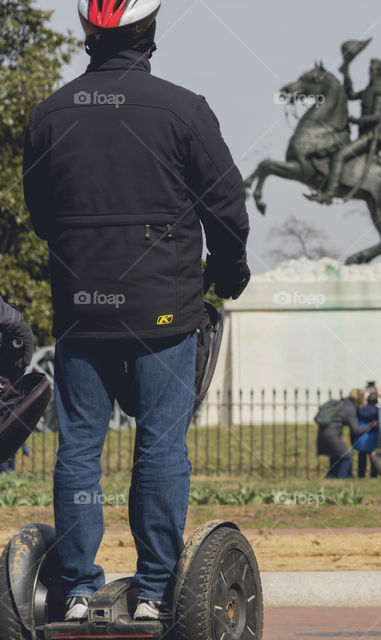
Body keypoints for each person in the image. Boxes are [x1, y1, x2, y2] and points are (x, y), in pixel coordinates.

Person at [22, 0, 250, 622]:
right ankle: (154, 591)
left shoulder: (49, 114)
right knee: (159, 445)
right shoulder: (183, 109)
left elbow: (42, 217)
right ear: (149, 32)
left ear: (88, 32)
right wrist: (226, 274)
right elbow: (227, 208)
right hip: (163, 312)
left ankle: (74, 591)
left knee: (78, 449)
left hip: (80, 312)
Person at [314, 58, 381, 204]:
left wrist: (355, 120)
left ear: (379, 72)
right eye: (369, 70)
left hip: (371, 136)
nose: (370, 72)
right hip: (362, 134)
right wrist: (346, 73)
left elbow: (376, 117)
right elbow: (350, 95)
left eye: (372, 70)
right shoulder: (368, 90)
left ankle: (329, 194)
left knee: (339, 155)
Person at [316, 389, 366, 479]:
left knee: (336, 457)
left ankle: (330, 478)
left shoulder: (340, 404)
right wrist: (371, 425)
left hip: (323, 432)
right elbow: (356, 429)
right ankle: (343, 478)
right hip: (332, 434)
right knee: (346, 458)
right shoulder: (349, 408)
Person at [354, 391, 380, 478]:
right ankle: (374, 475)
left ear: (367, 400)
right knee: (373, 457)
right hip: (373, 437)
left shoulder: (359, 410)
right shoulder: (378, 411)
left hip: (361, 436)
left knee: (362, 457)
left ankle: (361, 475)